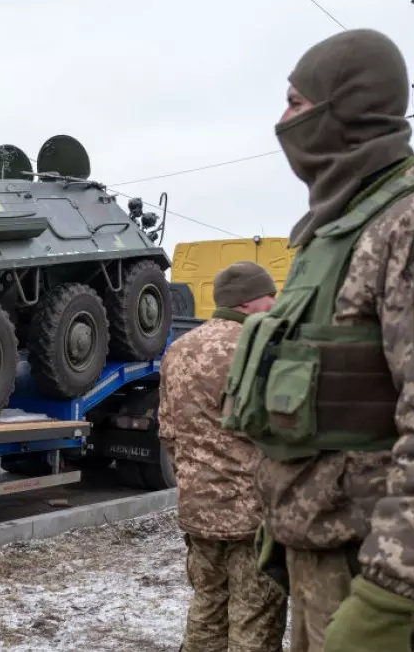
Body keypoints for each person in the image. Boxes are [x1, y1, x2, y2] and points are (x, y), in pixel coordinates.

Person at [219, 28, 414, 652]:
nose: (283, 121)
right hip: (322, 568)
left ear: (348, 108)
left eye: (297, 103)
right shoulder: (332, 233)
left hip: (390, 587)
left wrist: (388, 593)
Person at [159, 261, 287, 652]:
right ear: (248, 302)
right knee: (254, 620)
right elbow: (283, 431)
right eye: (271, 295)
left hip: (198, 509)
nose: (276, 302)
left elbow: (167, 432)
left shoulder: (179, 350)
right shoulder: (260, 348)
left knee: (207, 610)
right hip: (254, 516)